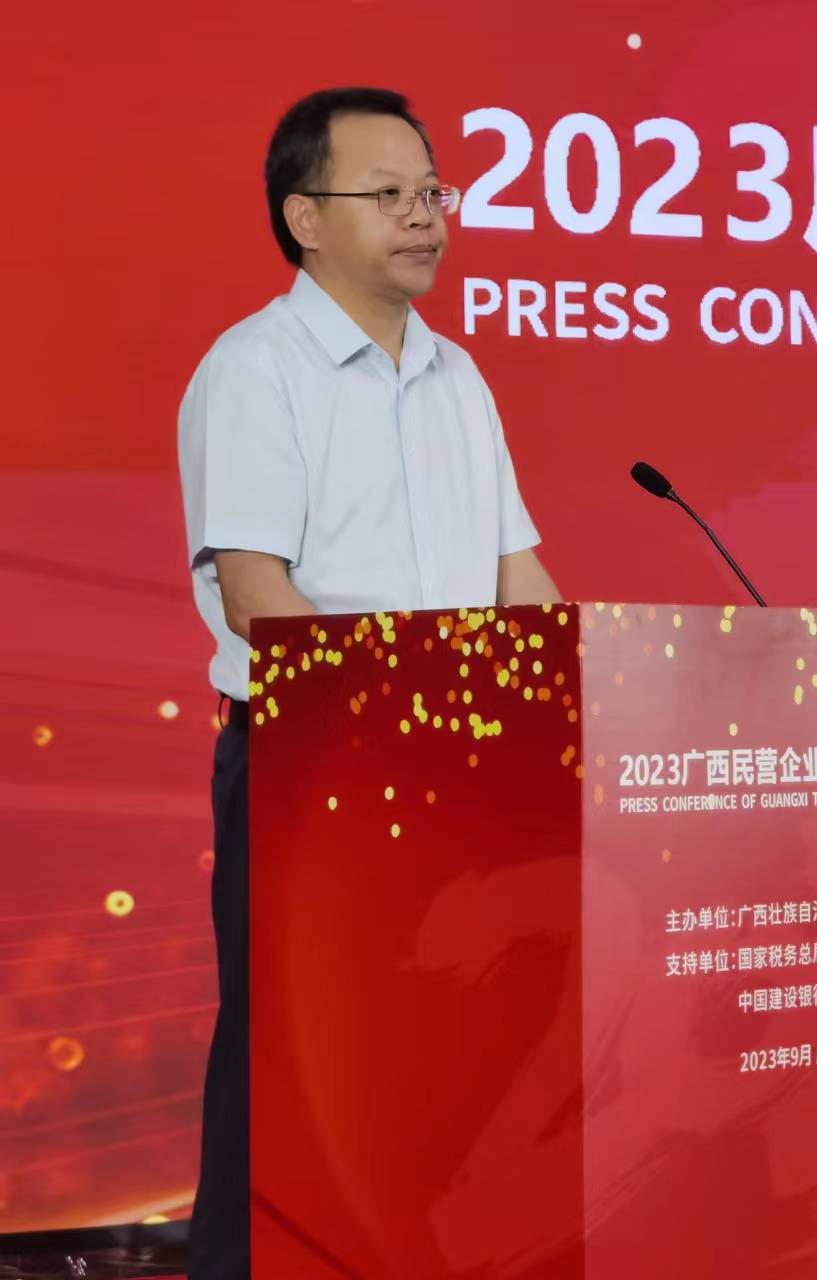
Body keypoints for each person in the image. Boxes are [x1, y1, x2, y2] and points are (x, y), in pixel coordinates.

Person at [175, 86, 559, 1279]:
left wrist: (581, 699)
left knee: (441, 1066)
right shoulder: (256, 369)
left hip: (460, 771)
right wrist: (407, 718)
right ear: (305, 218)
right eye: (387, 195)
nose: (424, 216)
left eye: (432, 192)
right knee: (294, 1066)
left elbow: (519, 577)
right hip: (315, 770)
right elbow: (258, 593)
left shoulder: (459, 377)